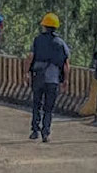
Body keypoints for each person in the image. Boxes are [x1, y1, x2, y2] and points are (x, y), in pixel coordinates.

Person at [27, 12, 70, 143]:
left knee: (36, 104)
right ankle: (46, 132)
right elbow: (66, 64)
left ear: (44, 26)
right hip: (53, 79)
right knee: (49, 107)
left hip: (39, 76)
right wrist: (66, 80)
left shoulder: (37, 40)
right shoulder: (61, 43)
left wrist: (26, 73)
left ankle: (35, 131)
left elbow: (30, 57)